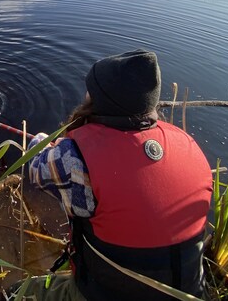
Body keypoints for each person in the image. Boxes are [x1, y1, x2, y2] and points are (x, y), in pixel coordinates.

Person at [20, 49, 213, 300]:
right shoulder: (189, 145)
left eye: (91, 89)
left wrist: (40, 141)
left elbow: (35, 168)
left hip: (108, 294)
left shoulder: (75, 157)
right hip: (188, 293)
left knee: (24, 291)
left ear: (101, 100)